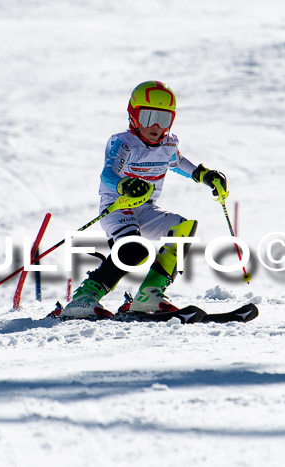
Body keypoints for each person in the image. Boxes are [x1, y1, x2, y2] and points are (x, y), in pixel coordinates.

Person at [60, 80, 227, 319]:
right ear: (133, 116)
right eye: (148, 117)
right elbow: (107, 174)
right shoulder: (124, 143)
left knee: (184, 228)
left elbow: (178, 163)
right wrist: (124, 184)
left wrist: (205, 175)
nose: (156, 126)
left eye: (164, 119)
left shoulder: (169, 143)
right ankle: (84, 299)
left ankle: (150, 292)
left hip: (146, 209)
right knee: (133, 251)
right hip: (118, 207)